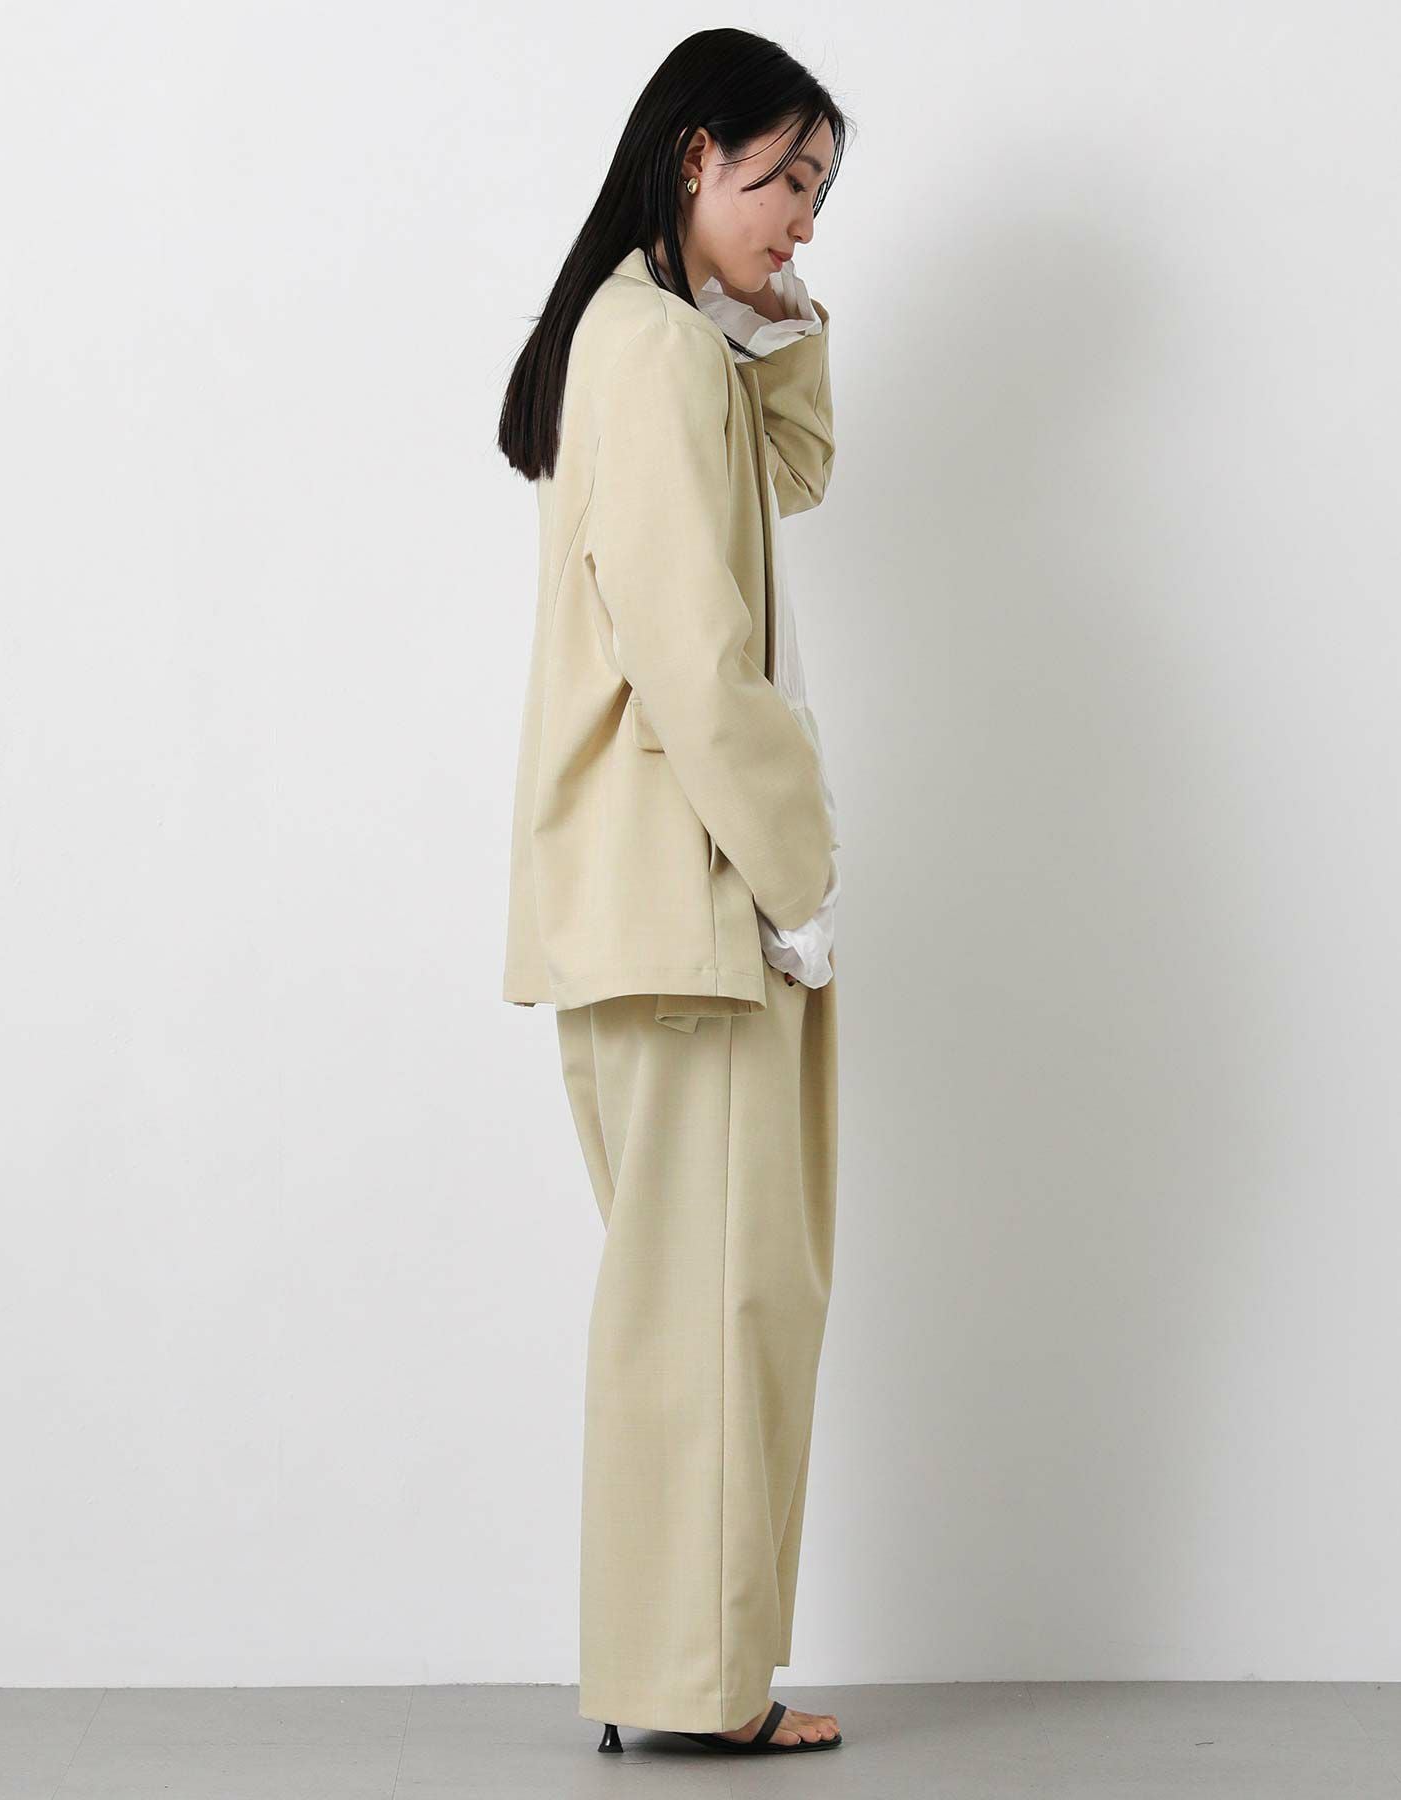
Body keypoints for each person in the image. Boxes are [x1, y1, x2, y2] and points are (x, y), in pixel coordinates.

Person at [496, 27, 854, 1757]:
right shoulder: (646, 350)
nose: (805, 220)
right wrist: (802, 872)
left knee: (702, 1311)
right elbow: (694, 656)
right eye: (785, 179)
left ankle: (685, 1682)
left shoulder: (670, 339)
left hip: (663, 900)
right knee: (714, 1316)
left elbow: (800, 473)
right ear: (696, 154)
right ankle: (696, 1694)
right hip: (694, 900)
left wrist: (778, 318)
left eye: (824, 192)